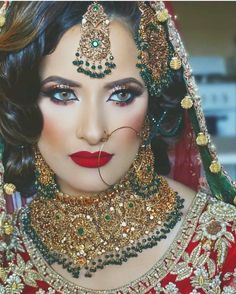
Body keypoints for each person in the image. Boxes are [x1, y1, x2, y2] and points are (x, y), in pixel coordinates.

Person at [0, 1, 235, 293]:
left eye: (122, 95)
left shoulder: (220, 244)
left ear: (153, 103)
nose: (94, 131)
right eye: (62, 94)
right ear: (24, 105)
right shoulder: (7, 253)